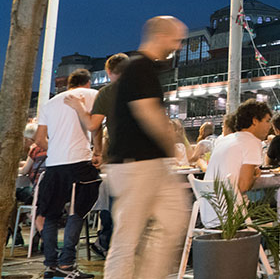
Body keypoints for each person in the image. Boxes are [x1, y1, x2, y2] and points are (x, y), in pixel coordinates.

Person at [103, 16, 191, 279]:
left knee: (174, 219)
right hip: (136, 165)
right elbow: (147, 111)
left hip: (147, 164)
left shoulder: (141, 67)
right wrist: (171, 143)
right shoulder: (139, 67)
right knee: (127, 237)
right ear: (161, 36)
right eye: (176, 39)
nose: (178, 46)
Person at [35, 68, 100, 279]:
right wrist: (98, 151)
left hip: (54, 165)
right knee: (77, 213)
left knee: (51, 214)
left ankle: (50, 265)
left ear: (68, 84)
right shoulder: (92, 95)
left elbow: (39, 139)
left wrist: (56, 147)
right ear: (87, 83)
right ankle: (67, 265)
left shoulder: (50, 103)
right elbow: (97, 127)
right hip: (80, 161)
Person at [63, 52, 129, 258]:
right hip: (146, 159)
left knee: (113, 204)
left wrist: (80, 107)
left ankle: (108, 244)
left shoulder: (108, 92)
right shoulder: (143, 90)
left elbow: (93, 125)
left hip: (121, 159)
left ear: (108, 72)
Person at [201, 100, 272, 227]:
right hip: (232, 213)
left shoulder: (224, 140)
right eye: (267, 121)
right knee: (273, 212)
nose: (270, 126)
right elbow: (244, 186)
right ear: (255, 120)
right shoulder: (252, 142)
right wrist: (254, 176)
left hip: (208, 212)